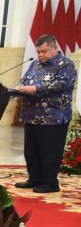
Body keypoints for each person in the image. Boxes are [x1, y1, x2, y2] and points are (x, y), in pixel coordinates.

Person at [14, 34, 78, 194]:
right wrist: (18, 89)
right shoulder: (34, 64)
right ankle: (34, 178)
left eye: (44, 51)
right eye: (38, 52)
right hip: (31, 115)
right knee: (31, 151)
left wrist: (36, 89)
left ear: (54, 48)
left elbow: (62, 84)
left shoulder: (66, 65)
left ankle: (50, 183)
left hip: (54, 117)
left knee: (49, 151)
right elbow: (25, 81)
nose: (41, 55)